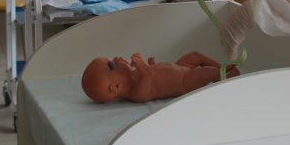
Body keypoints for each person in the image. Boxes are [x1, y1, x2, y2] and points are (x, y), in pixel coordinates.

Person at [81, 51, 240, 103]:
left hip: (180, 67)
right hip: (185, 81)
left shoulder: (133, 76)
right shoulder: (137, 94)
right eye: (114, 64)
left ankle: (221, 67)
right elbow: (148, 76)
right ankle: (229, 77)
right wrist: (143, 65)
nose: (117, 58)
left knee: (195, 55)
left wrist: (151, 64)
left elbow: (151, 72)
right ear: (116, 86)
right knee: (207, 72)